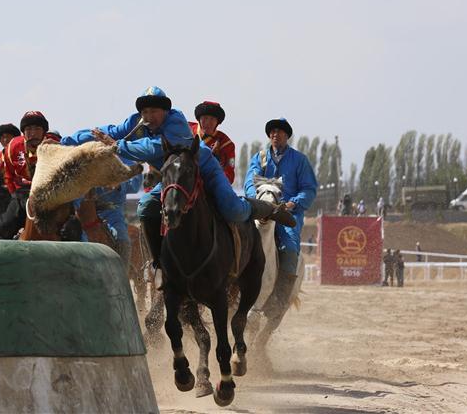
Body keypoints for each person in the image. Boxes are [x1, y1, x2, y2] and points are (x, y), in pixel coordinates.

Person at [62, 86, 292, 288]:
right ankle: (158, 263)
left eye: (154, 111)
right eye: (145, 112)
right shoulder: (136, 123)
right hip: (173, 178)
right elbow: (106, 132)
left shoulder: (177, 124)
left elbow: (153, 149)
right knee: (145, 208)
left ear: (165, 112)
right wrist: (66, 142)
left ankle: (263, 208)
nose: (149, 116)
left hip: (204, 169)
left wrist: (119, 146)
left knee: (233, 209)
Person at [244, 117, 318, 319]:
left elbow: (309, 189)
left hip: (286, 214)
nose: (275, 135)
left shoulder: (299, 160)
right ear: (269, 135)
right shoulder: (259, 158)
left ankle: (280, 297)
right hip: (260, 210)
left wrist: (293, 202)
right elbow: (250, 182)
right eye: (272, 132)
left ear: (287, 136)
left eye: (280, 132)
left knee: (290, 246)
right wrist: (257, 198)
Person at [0, 111, 51, 239]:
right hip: (23, 193)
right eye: (28, 129)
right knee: (0, 229)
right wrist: (15, 196)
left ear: (44, 132)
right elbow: (8, 175)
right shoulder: (12, 147)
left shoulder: (55, 144)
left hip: (51, 193)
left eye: (37, 128)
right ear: (23, 132)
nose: (33, 133)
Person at [79, 174, 143, 267]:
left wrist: (119, 185)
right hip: (83, 212)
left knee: (120, 234)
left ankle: (122, 270)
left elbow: (134, 186)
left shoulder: (126, 161)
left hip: (112, 213)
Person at [189, 101, 236, 183]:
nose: (208, 122)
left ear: (217, 122)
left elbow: (229, 174)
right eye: (205, 118)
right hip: (184, 176)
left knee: (227, 194)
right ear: (199, 119)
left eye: (212, 119)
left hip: (211, 180)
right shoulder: (187, 130)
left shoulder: (226, 144)